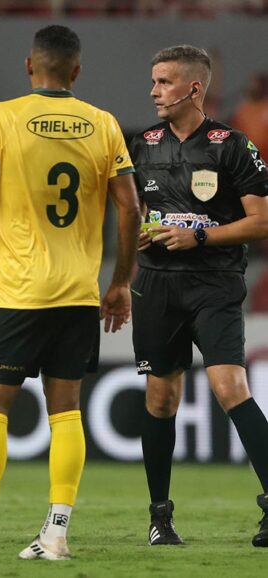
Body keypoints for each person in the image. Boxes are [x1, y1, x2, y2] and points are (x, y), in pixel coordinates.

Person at [0, 25, 140, 561]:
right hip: (78, 292)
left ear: (28, 66)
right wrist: (119, 282)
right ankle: (56, 534)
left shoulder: (3, 117)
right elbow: (131, 207)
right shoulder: (104, 124)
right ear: (77, 71)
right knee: (66, 411)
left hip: (18, 292)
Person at [130, 45, 268, 548]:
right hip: (156, 285)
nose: (153, 91)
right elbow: (134, 211)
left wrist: (200, 236)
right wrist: (139, 235)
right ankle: (160, 518)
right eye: (153, 80)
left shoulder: (231, 145)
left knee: (231, 388)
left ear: (193, 89)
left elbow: (262, 221)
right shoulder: (142, 144)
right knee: (161, 398)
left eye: (164, 82)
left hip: (214, 283)